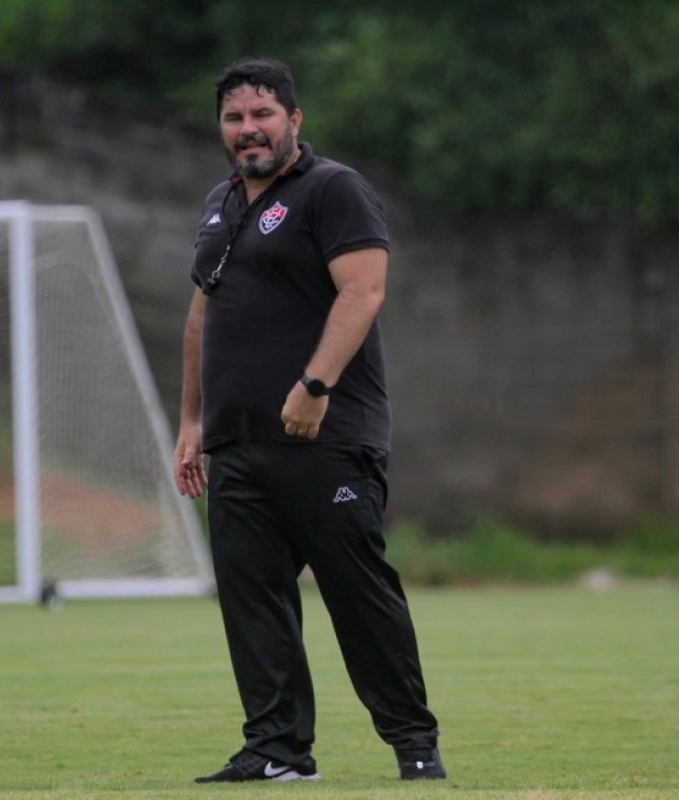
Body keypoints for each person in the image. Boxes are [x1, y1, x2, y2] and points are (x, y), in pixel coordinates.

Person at [172, 58, 445, 783]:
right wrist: (192, 421)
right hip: (235, 442)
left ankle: (413, 744)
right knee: (253, 601)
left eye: (261, 114)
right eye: (234, 118)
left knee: (358, 595)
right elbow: (203, 314)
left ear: (294, 120)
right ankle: (277, 751)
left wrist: (315, 384)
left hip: (323, 437)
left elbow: (363, 290)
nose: (247, 129)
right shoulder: (221, 203)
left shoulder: (334, 190)